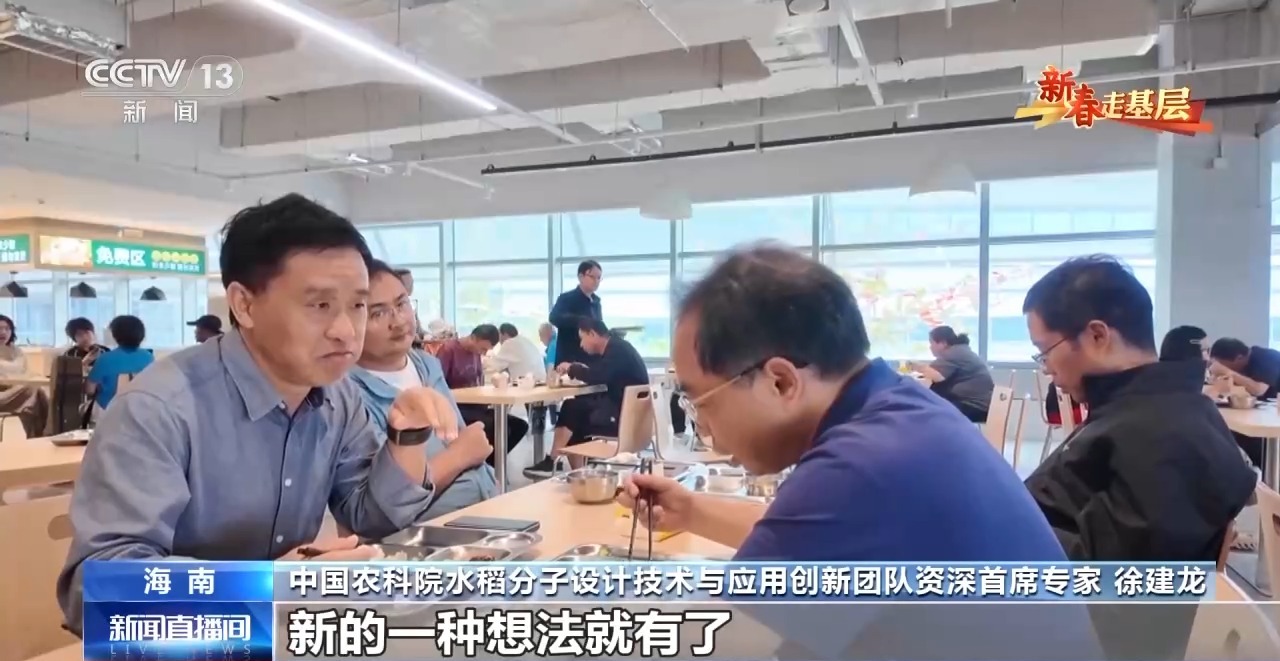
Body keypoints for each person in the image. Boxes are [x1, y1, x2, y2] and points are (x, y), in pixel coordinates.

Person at [615, 245, 1095, 659]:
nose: (703, 424)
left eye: (700, 401)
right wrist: (691, 510)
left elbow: (709, 641)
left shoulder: (862, 465)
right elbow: (818, 539)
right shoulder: (895, 407)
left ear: (780, 381)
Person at [57, 193, 475, 636]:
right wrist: (264, 588)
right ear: (244, 305)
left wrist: (406, 437)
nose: (345, 330)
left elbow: (370, 519)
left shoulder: (338, 396)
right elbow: (94, 591)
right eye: (319, 305)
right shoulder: (158, 410)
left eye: (357, 305)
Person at [1021, 256, 1256, 660]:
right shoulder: (1148, 408)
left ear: (1097, 335)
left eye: (1045, 352)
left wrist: (1004, 522)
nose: (1046, 369)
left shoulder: (1162, 436)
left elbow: (1118, 599)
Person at [348, 260, 495, 518]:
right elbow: (384, 504)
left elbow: (460, 438)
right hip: (425, 531)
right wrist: (461, 456)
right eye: (378, 313)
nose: (398, 321)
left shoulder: (426, 364)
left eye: (401, 304)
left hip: (485, 509)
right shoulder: (348, 394)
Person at [525, 319, 648, 478]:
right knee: (576, 415)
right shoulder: (619, 347)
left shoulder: (616, 350)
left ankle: (553, 461)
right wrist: (578, 368)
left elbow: (597, 375)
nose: (581, 344)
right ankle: (580, 474)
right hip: (633, 416)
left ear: (593, 334)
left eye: (582, 338)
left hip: (623, 419)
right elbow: (602, 373)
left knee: (571, 408)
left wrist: (572, 368)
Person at [437, 324, 530, 465]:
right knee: (494, 426)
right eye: (483, 349)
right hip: (457, 408)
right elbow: (438, 382)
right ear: (473, 338)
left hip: (477, 406)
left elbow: (478, 381)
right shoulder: (449, 350)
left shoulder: (476, 354)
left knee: (519, 425)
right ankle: (483, 462)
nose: (484, 353)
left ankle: (490, 463)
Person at [911, 325, 994, 423]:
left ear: (943, 343)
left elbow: (938, 376)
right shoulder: (960, 350)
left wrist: (917, 367)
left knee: (928, 408)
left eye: (932, 343)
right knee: (934, 396)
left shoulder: (953, 353)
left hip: (974, 406)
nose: (930, 347)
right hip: (981, 404)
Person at [86, 315, 155, 412]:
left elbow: (89, 390)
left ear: (115, 335)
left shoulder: (105, 358)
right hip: (139, 410)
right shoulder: (149, 357)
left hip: (107, 411)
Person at [0, 314, 50, 438]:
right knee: (32, 389)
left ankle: (41, 433)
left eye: (7, 328)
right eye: (0, 328)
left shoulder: (17, 351)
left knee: (40, 391)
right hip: (3, 394)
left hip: (18, 391)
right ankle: (44, 434)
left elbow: (27, 373)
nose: (3, 332)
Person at [549, 260, 602, 365]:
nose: (596, 281)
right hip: (570, 358)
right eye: (592, 277)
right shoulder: (567, 298)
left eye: (599, 278)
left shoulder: (596, 302)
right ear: (581, 277)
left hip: (592, 359)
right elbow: (554, 317)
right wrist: (581, 321)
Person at [1208, 337, 1280, 399]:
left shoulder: (1266, 358)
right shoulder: (1244, 363)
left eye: (1223, 365)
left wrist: (1226, 371)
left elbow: (1259, 390)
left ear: (1239, 358)